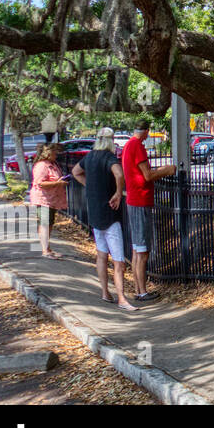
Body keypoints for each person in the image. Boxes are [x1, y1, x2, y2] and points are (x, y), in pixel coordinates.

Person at [70, 128, 136, 310]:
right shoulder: (108, 157)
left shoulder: (89, 157)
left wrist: (90, 186)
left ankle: (105, 292)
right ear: (110, 140)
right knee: (118, 260)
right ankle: (122, 298)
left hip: (95, 214)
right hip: (110, 213)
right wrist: (117, 192)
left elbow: (76, 172)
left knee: (101, 255)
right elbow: (120, 174)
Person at [120, 120, 174, 303]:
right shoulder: (137, 146)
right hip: (140, 200)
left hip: (134, 200)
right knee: (143, 250)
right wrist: (167, 170)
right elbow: (148, 175)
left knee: (137, 249)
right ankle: (142, 291)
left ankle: (138, 289)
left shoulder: (128, 145)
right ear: (146, 131)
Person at [28, 142, 68, 259]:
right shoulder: (42, 166)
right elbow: (40, 183)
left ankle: (47, 248)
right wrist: (58, 183)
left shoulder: (52, 164)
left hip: (52, 198)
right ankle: (45, 250)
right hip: (43, 198)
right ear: (48, 153)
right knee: (45, 223)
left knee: (49, 223)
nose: (57, 154)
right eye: (54, 152)